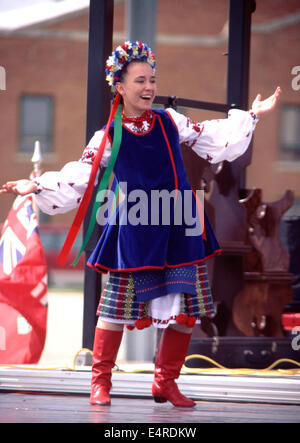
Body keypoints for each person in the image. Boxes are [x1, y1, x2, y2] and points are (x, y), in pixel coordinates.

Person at [1, 41, 281, 408]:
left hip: (179, 225)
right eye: (140, 81)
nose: (149, 87)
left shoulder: (171, 121)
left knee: (187, 309)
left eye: (152, 79)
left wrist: (251, 116)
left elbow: (213, 137)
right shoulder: (107, 136)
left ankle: (165, 381)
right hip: (134, 229)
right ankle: (99, 383)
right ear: (119, 86)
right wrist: (36, 184)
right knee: (115, 310)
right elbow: (80, 176)